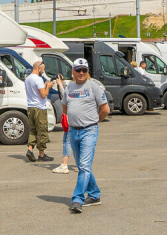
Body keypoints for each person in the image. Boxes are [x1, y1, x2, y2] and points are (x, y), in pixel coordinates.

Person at [64, 58, 110, 213]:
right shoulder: (69, 87)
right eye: (78, 70)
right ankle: (95, 194)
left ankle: (77, 199)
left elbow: (105, 109)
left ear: (88, 71)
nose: (81, 73)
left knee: (83, 166)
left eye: (84, 70)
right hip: (73, 131)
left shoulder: (94, 87)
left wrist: (94, 120)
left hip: (89, 131)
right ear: (73, 72)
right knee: (82, 166)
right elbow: (65, 107)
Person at [24, 60, 59, 161]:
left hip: (30, 107)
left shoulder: (28, 79)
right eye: (42, 70)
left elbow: (36, 92)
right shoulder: (38, 79)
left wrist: (44, 86)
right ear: (38, 68)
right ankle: (42, 154)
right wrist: (48, 87)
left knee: (33, 130)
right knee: (42, 130)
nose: (42, 72)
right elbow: (43, 95)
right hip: (40, 108)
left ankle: (30, 150)